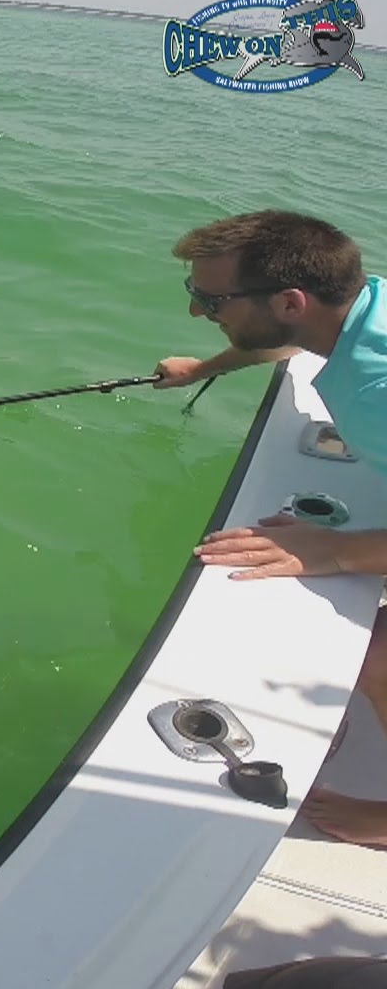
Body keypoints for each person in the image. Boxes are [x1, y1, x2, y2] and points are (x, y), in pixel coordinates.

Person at [152, 209, 387, 847]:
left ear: (289, 300)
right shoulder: (363, 307)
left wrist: (336, 552)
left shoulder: (375, 389)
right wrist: (204, 370)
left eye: (210, 299)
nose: (200, 312)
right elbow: (289, 338)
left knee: (374, 651)